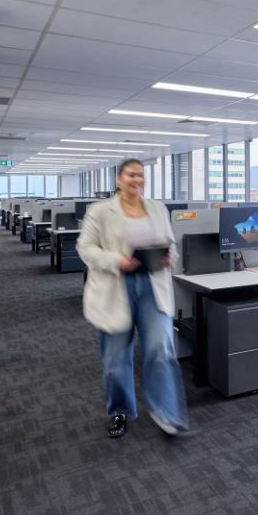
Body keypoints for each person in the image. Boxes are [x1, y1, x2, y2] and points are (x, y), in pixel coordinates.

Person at [77, 159, 189, 438]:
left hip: (153, 285)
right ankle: (119, 410)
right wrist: (117, 260)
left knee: (161, 350)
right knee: (116, 359)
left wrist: (170, 257)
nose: (136, 179)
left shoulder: (158, 208)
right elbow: (85, 248)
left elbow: (171, 243)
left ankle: (165, 411)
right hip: (116, 286)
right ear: (119, 179)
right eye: (131, 174)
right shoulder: (99, 211)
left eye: (140, 175)